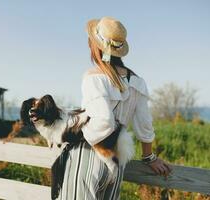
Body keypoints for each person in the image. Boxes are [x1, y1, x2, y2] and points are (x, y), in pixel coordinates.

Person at [58, 17, 172, 200]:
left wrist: (74, 129)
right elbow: (144, 124)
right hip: (117, 164)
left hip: (88, 159)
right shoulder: (138, 82)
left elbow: (103, 121)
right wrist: (149, 157)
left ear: (94, 45)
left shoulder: (93, 77)